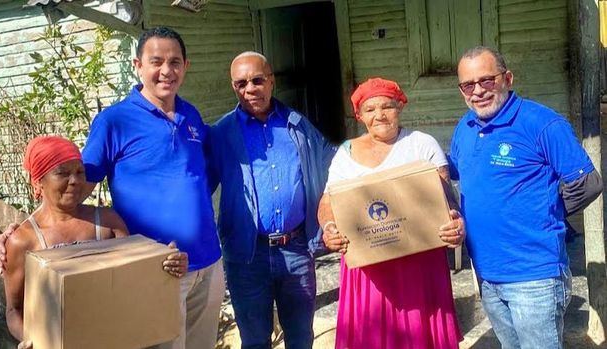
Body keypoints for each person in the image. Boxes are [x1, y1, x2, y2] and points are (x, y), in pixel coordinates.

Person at [0, 27, 224, 349]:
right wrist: (22, 230)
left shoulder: (191, 115)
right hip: (157, 267)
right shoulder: (114, 121)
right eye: (156, 61)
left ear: (186, 66)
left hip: (208, 261)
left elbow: (196, 178)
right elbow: (74, 189)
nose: (166, 71)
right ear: (137, 65)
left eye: (174, 62)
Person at [449, 46, 602, 349]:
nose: (478, 91)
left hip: (534, 275)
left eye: (487, 80)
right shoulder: (464, 127)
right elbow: (456, 172)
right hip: (487, 272)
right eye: (468, 84)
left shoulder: (541, 123)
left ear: (507, 78)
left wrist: (546, 213)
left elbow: (587, 183)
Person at [317, 77, 465, 349]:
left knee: (421, 337)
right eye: (370, 110)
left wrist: (454, 221)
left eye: (387, 106)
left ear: (400, 108)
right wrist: (329, 228)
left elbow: (447, 200)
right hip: (369, 268)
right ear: (359, 116)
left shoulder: (421, 144)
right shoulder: (346, 154)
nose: (380, 115)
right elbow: (327, 202)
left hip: (419, 263)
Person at [3, 136, 187, 349]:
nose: (74, 180)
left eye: (80, 172)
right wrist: (33, 339)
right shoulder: (23, 241)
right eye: (62, 173)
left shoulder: (107, 222)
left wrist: (165, 265)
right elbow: (14, 310)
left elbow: (134, 280)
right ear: (38, 182)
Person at [205, 51, 336, 349]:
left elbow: (333, 163)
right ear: (233, 87)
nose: (250, 89)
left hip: (296, 249)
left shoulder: (297, 125)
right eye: (241, 83)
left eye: (257, 80)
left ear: (271, 81)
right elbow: (198, 187)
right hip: (247, 255)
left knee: (301, 338)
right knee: (254, 341)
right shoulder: (222, 133)